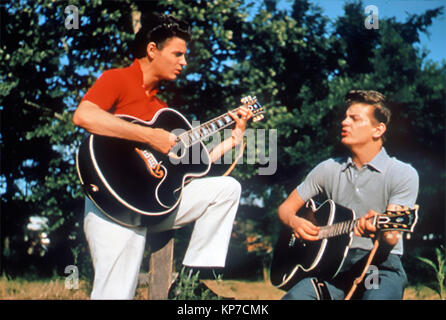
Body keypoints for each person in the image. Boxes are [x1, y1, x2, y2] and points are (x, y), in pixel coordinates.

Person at [72, 13, 253, 300]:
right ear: (152, 49)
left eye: (185, 55)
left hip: (153, 206)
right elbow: (84, 116)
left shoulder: (163, 110)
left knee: (227, 189)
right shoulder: (117, 78)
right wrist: (148, 136)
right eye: (178, 54)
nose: (184, 62)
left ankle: (190, 281)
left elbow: (194, 166)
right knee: (116, 294)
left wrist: (233, 139)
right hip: (112, 205)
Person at [278, 90, 419, 300]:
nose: (344, 122)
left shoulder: (402, 173)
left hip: (379, 268)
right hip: (330, 270)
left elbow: (391, 237)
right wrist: (295, 222)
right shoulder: (327, 169)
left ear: (378, 129)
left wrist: (378, 232)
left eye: (354, 119)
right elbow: (285, 208)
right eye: (345, 117)